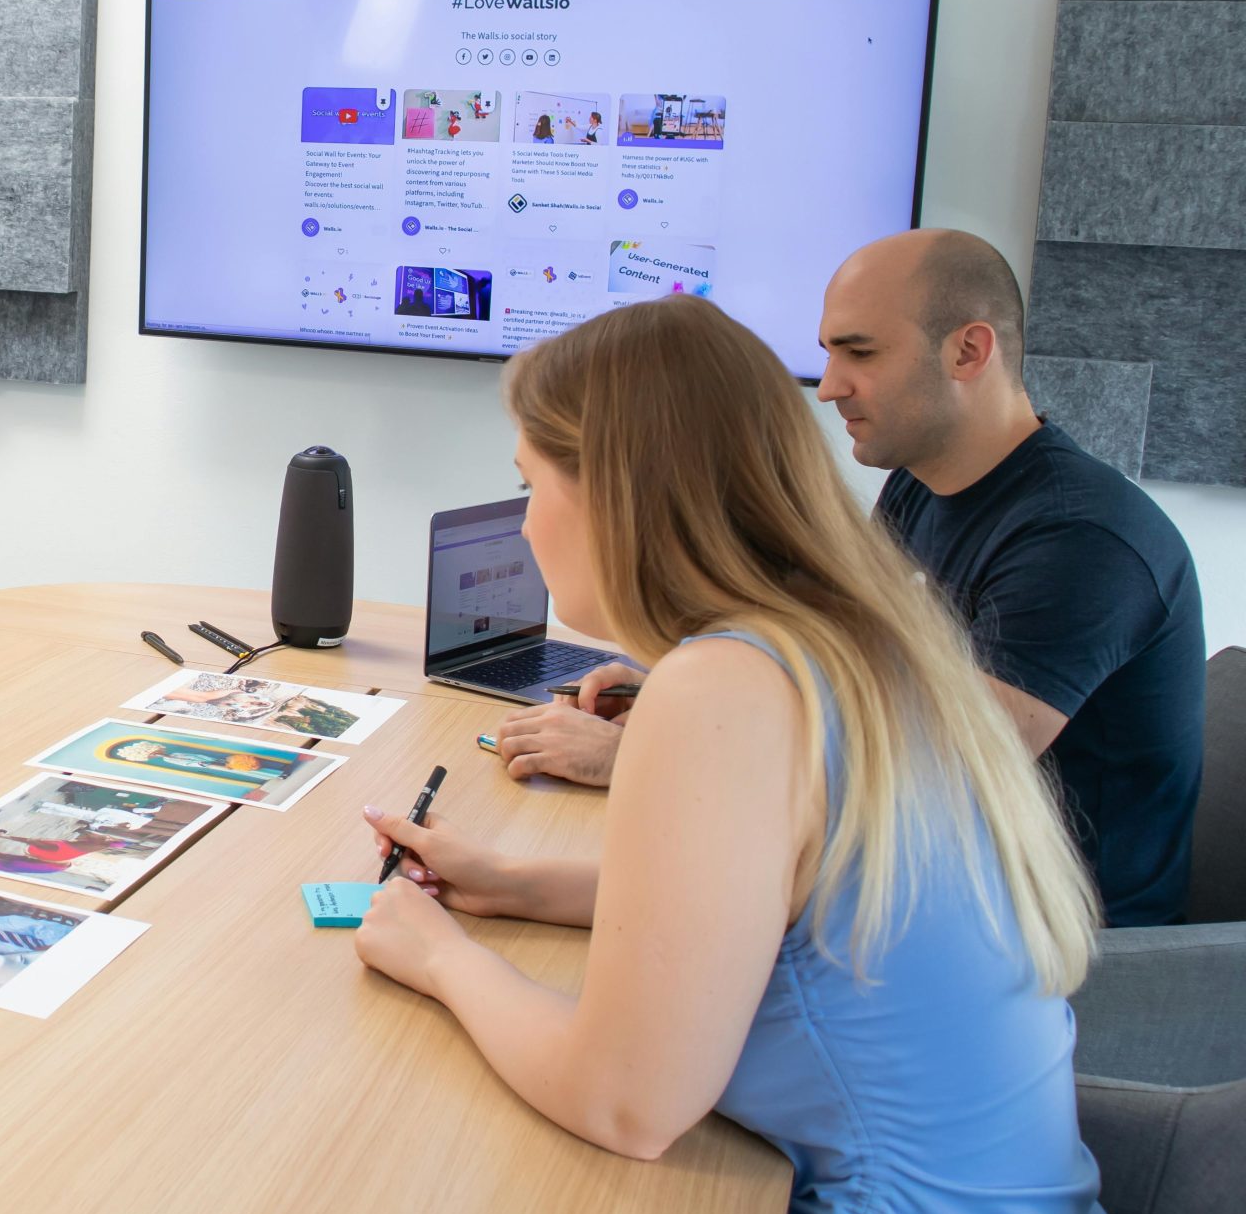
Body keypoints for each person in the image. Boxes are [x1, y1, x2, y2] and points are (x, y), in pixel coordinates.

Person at [353, 295, 1126, 1214]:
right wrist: (513, 881)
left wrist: (440, 957)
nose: (524, 522)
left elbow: (626, 1104)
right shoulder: (860, 642)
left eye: (527, 483)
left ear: (613, 493)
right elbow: (795, 901)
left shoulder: (722, 687)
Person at [496, 231, 1205, 927]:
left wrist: (649, 755)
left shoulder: (1080, 540)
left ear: (968, 350)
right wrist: (694, 698)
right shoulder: (920, 486)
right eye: (829, 352)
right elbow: (856, 672)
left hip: (1051, 946)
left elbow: (934, 778)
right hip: (914, 886)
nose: (830, 386)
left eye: (859, 353)